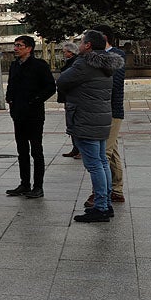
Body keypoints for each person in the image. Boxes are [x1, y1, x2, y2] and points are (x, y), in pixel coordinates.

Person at [57, 30, 125, 222]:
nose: (79, 45)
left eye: (81, 42)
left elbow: (62, 81)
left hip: (85, 119)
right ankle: (106, 204)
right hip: (101, 119)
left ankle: (101, 207)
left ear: (88, 45)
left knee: (95, 165)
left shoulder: (85, 62)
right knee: (102, 162)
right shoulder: (107, 64)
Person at [4, 35, 57, 198]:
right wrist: (10, 99)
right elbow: (11, 85)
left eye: (19, 45)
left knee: (36, 150)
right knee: (22, 151)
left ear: (29, 48)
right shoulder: (14, 65)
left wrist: (35, 100)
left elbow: (50, 88)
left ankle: (38, 186)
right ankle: (24, 183)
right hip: (18, 114)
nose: (16, 48)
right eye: (15, 45)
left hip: (34, 115)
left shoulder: (39, 65)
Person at [92, 24, 127, 204]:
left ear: (103, 38)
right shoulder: (101, 57)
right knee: (112, 151)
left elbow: (112, 83)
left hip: (111, 110)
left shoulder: (116, 56)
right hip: (101, 111)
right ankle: (117, 190)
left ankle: (100, 194)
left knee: (102, 154)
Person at [58, 41, 81, 158]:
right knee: (71, 124)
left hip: (72, 97)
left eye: (65, 52)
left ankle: (79, 149)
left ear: (70, 53)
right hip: (67, 97)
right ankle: (75, 148)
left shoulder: (75, 63)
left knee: (74, 123)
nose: (64, 54)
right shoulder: (71, 62)